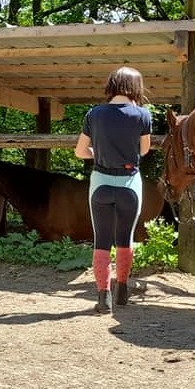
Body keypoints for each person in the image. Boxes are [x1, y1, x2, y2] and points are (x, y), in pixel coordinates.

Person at [74, 66, 152, 314]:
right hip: (129, 183)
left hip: (101, 182)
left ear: (112, 85)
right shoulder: (143, 115)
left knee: (101, 240)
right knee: (125, 239)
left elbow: (80, 152)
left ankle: (102, 298)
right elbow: (143, 150)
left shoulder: (94, 114)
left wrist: (98, 153)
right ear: (136, 87)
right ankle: (122, 290)